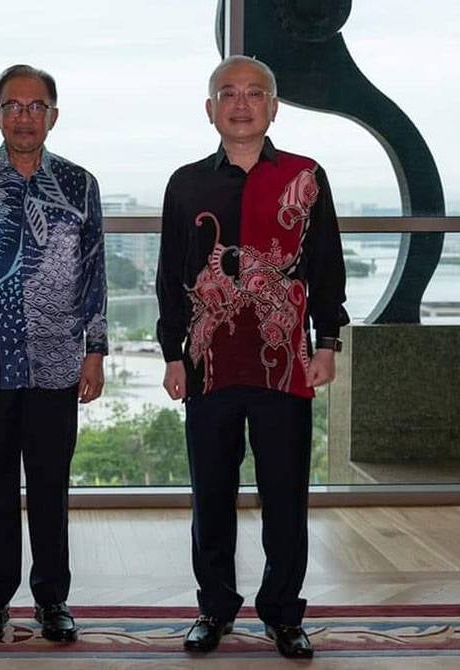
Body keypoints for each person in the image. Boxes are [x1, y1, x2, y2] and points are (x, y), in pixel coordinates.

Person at [155, 56, 348, 659]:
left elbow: (325, 267)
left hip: (285, 362)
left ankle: (284, 614)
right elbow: (171, 276)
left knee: (286, 495)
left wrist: (329, 342)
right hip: (209, 363)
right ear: (210, 108)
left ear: (274, 106)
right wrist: (172, 354)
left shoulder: (305, 176)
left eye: (254, 93)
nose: (241, 104)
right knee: (210, 495)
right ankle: (214, 609)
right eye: (228, 94)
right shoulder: (186, 183)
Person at [0, 64, 107, 644]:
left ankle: (52, 600)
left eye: (36, 106)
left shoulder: (81, 184)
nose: (24, 115)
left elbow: (93, 272)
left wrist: (96, 349)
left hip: (59, 359)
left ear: (53, 115)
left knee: (51, 487)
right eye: (13, 105)